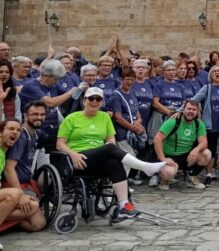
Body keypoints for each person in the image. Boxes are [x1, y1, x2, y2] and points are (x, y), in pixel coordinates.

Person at [57, 87, 169, 221]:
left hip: (98, 158)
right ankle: (145, 166)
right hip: (78, 159)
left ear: (101, 102)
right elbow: (60, 144)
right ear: (84, 100)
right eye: (91, 99)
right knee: (110, 149)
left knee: (114, 162)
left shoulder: (104, 117)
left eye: (98, 99)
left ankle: (123, 205)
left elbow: (111, 139)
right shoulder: (72, 118)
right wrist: (73, 154)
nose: (94, 102)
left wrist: (108, 145)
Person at [19, 59, 83, 152]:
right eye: (55, 78)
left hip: (52, 129)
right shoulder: (31, 86)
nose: (57, 81)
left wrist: (80, 89)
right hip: (36, 129)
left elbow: (70, 96)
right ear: (45, 75)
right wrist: (70, 92)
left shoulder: (53, 84)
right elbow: (50, 103)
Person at [0, 119, 46, 234]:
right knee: (15, 193)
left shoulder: (3, 152)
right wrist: (20, 195)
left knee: (34, 208)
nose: (15, 132)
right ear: (0, 132)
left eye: (18, 130)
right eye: (11, 129)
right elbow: (9, 170)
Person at [154, 100, 210, 190]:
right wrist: (162, 158)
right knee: (169, 172)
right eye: (189, 109)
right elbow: (157, 139)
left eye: (194, 110)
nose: (191, 111)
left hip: (187, 156)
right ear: (183, 110)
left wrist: (196, 149)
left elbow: (204, 142)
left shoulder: (199, 124)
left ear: (197, 112)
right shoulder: (173, 121)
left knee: (207, 154)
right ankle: (165, 179)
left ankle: (192, 177)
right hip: (170, 156)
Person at [187, 65, 219, 185]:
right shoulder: (207, 88)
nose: (217, 73)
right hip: (211, 123)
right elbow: (194, 100)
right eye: (214, 71)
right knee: (212, 149)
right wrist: (178, 111)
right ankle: (209, 173)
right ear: (210, 75)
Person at [111, 68, 146, 186]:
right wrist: (133, 127)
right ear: (121, 79)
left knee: (128, 158)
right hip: (121, 133)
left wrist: (139, 121)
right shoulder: (117, 95)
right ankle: (119, 184)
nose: (129, 82)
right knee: (128, 157)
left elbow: (137, 112)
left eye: (132, 79)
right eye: (127, 79)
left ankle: (119, 183)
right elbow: (118, 117)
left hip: (131, 132)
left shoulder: (132, 93)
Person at [4, 101, 46, 193]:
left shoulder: (36, 134)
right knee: (33, 206)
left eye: (42, 114)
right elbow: (8, 168)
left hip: (26, 181)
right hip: (12, 185)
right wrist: (20, 194)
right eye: (35, 114)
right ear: (26, 116)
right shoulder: (21, 136)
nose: (39, 117)